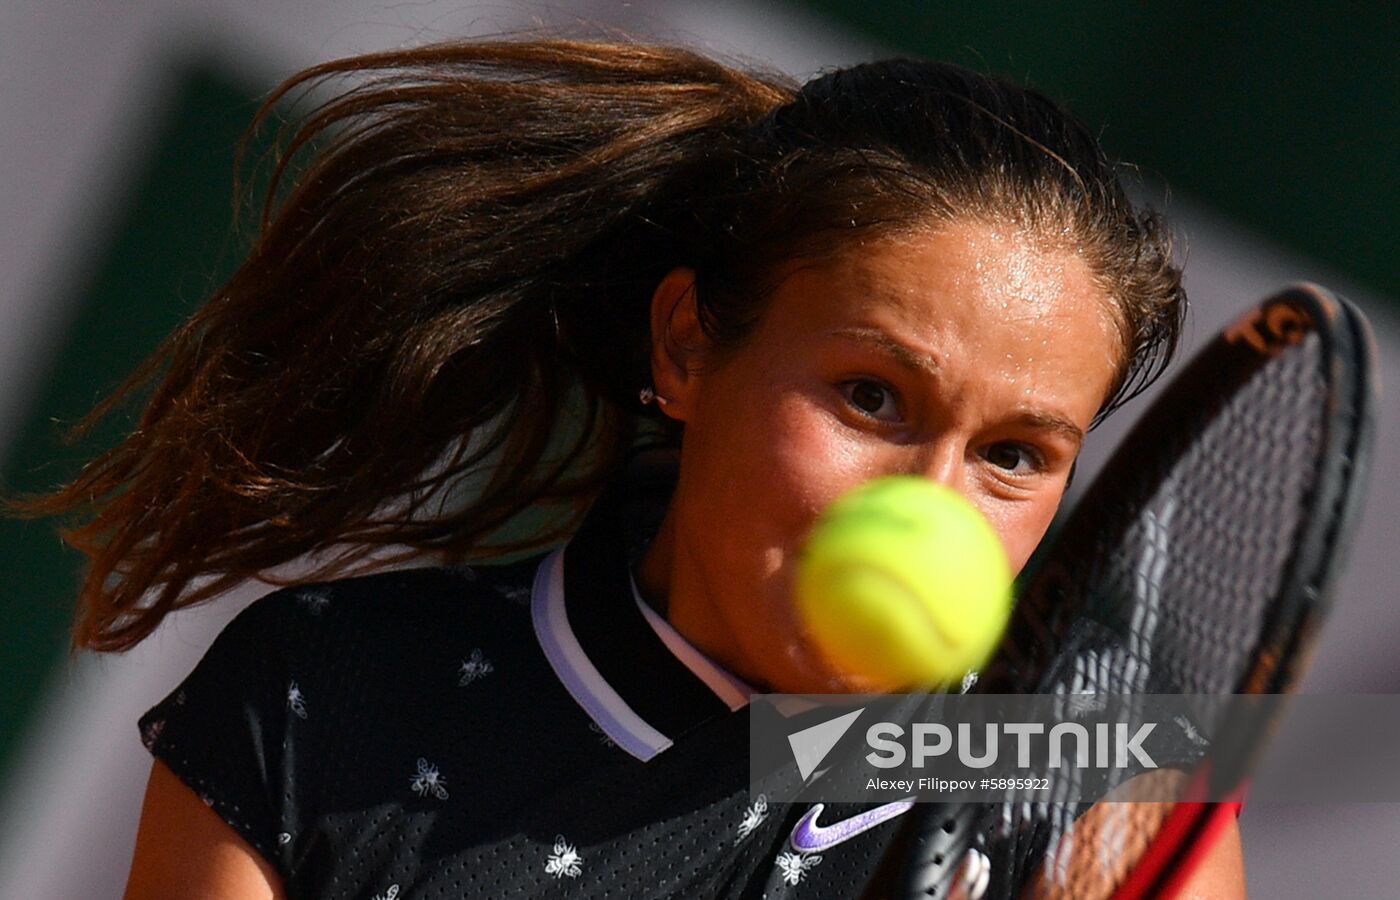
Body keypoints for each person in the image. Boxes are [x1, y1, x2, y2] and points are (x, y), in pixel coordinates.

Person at [15, 38, 1244, 898]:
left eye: (1014, 456)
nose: (929, 510)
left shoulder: (1083, 770)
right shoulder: (332, 692)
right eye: (869, 397)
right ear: (688, 345)